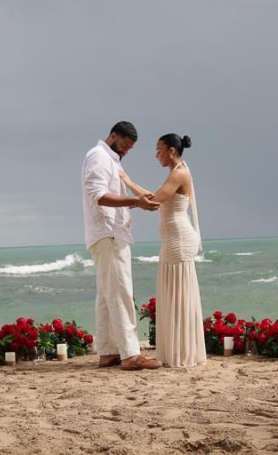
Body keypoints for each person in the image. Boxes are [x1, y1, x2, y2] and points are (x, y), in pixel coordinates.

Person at [81, 121, 162, 371]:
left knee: (107, 296)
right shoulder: (98, 157)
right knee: (121, 292)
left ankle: (108, 352)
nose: (125, 151)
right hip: (109, 233)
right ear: (112, 135)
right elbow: (99, 196)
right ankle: (130, 354)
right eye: (124, 146)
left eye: (129, 149)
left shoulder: (111, 160)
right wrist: (136, 203)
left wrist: (136, 202)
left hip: (108, 233)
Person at [121, 133, 207, 368]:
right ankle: (178, 350)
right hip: (172, 238)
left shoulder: (179, 172)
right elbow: (152, 197)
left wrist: (127, 183)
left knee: (178, 292)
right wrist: (129, 183)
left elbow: (154, 201)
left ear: (171, 150)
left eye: (158, 149)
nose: (155, 154)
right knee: (174, 292)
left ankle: (182, 353)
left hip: (178, 239)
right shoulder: (175, 172)